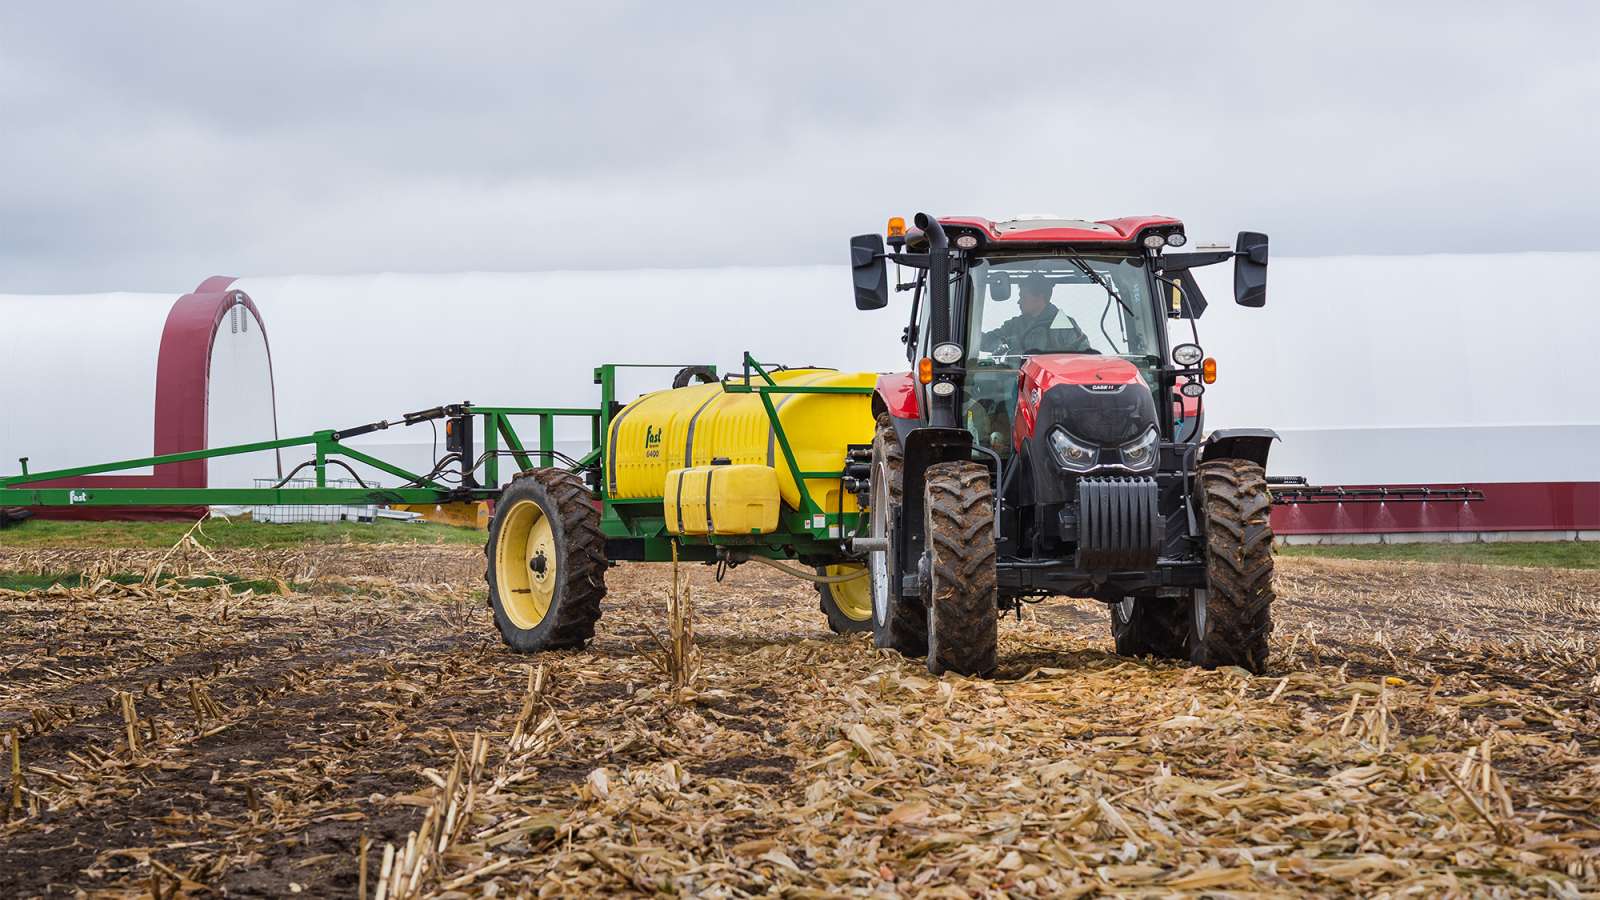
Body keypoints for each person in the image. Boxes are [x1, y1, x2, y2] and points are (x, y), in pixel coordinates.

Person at [980, 274, 1092, 355]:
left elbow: (1081, 359)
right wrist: (969, 333)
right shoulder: (1014, 325)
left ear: (1040, 297)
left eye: (1023, 296)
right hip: (1015, 383)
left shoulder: (1063, 325)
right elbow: (987, 341)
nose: (1019, 301)